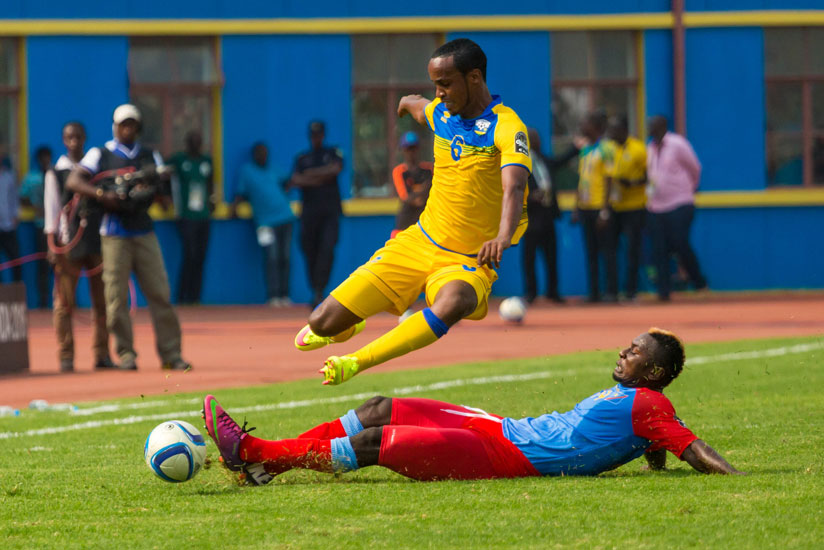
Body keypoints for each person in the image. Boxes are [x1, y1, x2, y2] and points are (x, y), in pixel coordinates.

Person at [203, 328, 744, 485]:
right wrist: (653, 459)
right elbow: (656, 440)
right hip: (500, 427)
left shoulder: (649, 404)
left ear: (654, 373)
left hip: (507, 458)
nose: (623, 352)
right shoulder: (639, 404)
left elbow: (690, 446)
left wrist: (739, 479)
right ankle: (266, 465)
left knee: (374, 444)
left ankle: (254, 453)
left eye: (635, 351)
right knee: (379, 407)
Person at [294, 38, 532, 386]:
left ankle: (356, 361)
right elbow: (418, 105)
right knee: (321, 322)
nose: (439, 93)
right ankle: (348, 326)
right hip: (418, 243)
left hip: (466, 261)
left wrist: (502, 236)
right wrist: (405, 103)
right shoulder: (440, 112)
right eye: (435, 85)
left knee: (454, 302)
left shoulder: (507, 127)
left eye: (446, 83)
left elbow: (515, 186)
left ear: (475, 78)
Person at [66, 104, 190, 371]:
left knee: (160, 294)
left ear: (138, 127)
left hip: (144, 231)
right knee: (116, 298)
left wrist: (153, 188)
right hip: (114, 234)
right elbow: (74, 181)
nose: (128, 129)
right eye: (123, 124)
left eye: (132, 124)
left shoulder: (149, 155)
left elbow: (163, 190)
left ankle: (171, 353)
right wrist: (103, 195)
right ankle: (126, 354)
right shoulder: (101, 153)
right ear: (115, 126)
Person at [44, 121, 114, 372]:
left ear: (85, 138)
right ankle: (66, 355)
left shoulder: (95, 168)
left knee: (102, 301)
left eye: (78, 137)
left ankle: (102, 354)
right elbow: (51, 210)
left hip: (97, 240)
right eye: (69, 137)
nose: (74, 142)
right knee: (64, 302)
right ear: (64, 141)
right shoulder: (56, 172)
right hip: (68, 243)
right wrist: (52, 245)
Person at [646, 116, 707, 301]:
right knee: (659, 248)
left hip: (680, 202)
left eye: (653, 125)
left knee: (680, 242)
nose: (649, 128)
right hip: (656, 206)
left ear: (663, 126)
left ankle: (699, 282)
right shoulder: (650, 148)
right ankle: (663, 291)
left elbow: (695, 168)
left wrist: (690, 188)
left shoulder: (677, 144)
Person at [232, 142, 295, 306]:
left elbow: (289, 181)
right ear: (254, 155)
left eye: (265, 153)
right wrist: (234, 207)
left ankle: (285, 295)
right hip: (264, 223)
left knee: (285, 258)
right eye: (260, 153)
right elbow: (240, 193)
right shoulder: (247, 171)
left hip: (286, 218)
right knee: (271, 258)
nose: (263, 156)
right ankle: (273, 296)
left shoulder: (274, 169)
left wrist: (285, 191)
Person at [521, 128, 579, 304]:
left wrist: (576, 148)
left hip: (548, 215)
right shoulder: (521, 163)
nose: (537, 142)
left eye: (538, 138)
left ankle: (553, 292)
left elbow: (560, 162)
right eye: (533, 139)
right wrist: (530, 197)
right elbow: (513, 189)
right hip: (531, 217)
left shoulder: (544, 159)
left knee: (551, 256)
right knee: (529, 258)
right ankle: (531, 293)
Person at [290, 121, 344, 309]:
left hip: (330, 212)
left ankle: (320, 290)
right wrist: (322, 177)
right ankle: (315, 290)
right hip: (309, 214)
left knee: (327, 250)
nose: (316, 138)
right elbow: (296, 180)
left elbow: (335, 170)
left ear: (323, 135)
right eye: (313, 135)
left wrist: (310, 175)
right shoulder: (302, 158)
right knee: (310, 251)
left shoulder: (333, 153)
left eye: (319, 135)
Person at [571, 110, 616, 303]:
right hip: (585, 207)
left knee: (607, 251)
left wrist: (605, 210)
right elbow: (581, 180)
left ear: (596, 127)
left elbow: (609, 180)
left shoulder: (606, 149)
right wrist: (576, 207)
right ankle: (594, 293)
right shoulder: (585, 150)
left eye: (586, 123)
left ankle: (612, 292)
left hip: (600, 207)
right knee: (591, 252)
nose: (582, 127)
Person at [604, 115, 647, 301]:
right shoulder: (609, 149)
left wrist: (631, 183)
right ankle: (612, 291)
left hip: (634, 207)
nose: (611, 133)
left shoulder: (638, 149)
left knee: (632, 250)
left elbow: (649, 177)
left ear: (624, 130)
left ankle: (631, 291)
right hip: (615, 206)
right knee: (610, 250)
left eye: (614, 129)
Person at [168, 130, 213, 305]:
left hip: (203, 215)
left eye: (199, 141)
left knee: (200, 257)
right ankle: (182, 297)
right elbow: (163, 174)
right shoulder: (179, 160)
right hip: (185, 216)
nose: (196, 144)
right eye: (193, 141)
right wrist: (165, 198)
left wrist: (212, 199)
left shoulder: (206, 161)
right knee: (190, 255)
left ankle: (195, 298)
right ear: (187, 143)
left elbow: (210, 182)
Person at [19, 145, 52, 308]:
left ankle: (66, 299)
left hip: (58, 228)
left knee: (62, 265)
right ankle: (43, 301)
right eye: (42, 157)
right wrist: (36, 207)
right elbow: (22, 197)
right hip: (41, 227)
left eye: (48, 157)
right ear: (38, 159)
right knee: (43, 265)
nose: (45, 160)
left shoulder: (55, 174)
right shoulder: (32, 178)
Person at [391, 131, 432, 238]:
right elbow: (407, 197)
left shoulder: (429, 169)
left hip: (425, 226)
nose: (411, 152)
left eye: (414, 148)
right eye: (408, 149)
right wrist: (424, 189)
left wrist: (417, 193)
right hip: (404, 225)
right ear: (402, 150)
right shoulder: (399, 171)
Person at [0, 156, 22, 283]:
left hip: (8, 225)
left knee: (15, 259)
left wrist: (15, 216)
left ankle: (16, 288)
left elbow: (14, 198)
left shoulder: (9, 177)